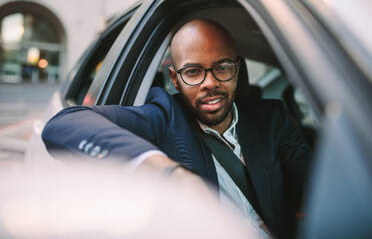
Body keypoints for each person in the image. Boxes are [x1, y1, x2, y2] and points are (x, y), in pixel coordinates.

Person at [42, 19, 312, 239]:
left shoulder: (272, 118)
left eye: (222, 67)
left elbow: (312, 185)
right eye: (193, 72)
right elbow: (63, 124)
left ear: (237, 70)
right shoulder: (163, 117)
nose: (209, 82)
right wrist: (165, 171)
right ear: (175, 78)